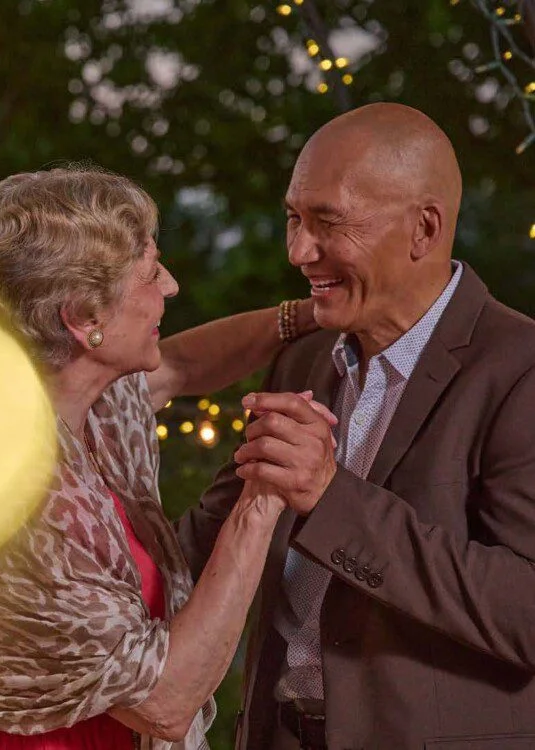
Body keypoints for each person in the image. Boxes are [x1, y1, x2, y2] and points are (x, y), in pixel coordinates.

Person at [0, 165, 327, 750]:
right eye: (151, 273)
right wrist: (264, 496)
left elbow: (183, 365)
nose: (173, 286)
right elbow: (167, 702)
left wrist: (306, 316)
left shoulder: (88, 395)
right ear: (83, 319)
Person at [178, 102, 535, 750]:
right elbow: (201, 547)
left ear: (422, 229)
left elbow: (524, 613)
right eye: (292, 218)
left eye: (326, 223)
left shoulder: (519, 371)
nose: (297, 251)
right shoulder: (302, 357)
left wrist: (330, 497)